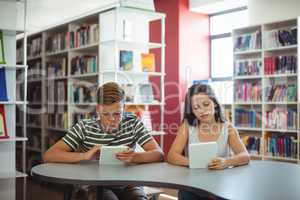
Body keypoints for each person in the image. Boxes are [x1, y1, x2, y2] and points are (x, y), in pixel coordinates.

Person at [43, 82, 164, 200]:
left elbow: (159, 154)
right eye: (106, 114)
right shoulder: (85, 127)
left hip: (128, 183)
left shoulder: (133, 123)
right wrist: (85, 156)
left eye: (117, 114)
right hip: (94, 184)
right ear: (98, 110)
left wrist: (135, 157)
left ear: (124, 108)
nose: (112, 119)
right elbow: (49, 155)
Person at [167, 83, 250, 200]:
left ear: (214, 103)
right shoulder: (187, 126)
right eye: (196, 108)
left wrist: (226, 162)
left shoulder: (228, 128)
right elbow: (171, 156)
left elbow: (245, 156)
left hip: (221, 184)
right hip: (192, 184)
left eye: (206, 104)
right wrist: (194, 162)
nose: (202, 111)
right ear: (191, 111)